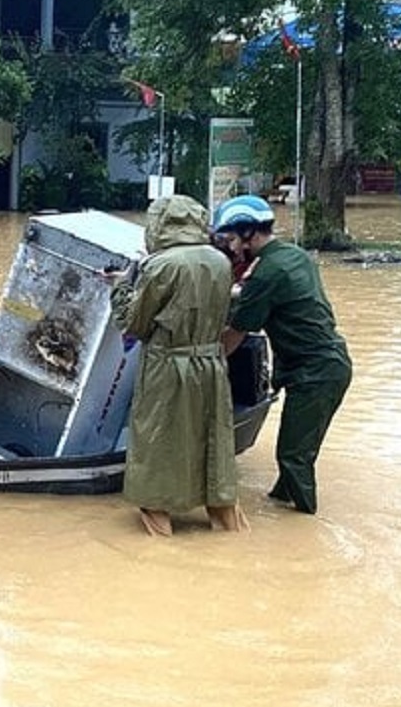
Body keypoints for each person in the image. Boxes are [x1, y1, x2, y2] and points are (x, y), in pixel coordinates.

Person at [109, 195, 245, 536]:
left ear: (158, 226)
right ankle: (226, 524)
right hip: (211, 364)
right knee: (211, 438)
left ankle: (160, 532)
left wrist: (120, 286)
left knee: (158, 443)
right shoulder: (220, 262)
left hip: (167, 365)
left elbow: (133, 324)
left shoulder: (160, 266)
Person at [215, 195, 352, 515]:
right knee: (296, 451)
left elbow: (233, 339)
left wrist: (192, 358)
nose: (232, 248)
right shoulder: (294, 255)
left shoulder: (266, 275)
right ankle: (280, 504)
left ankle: (305, 530)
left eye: (234, 239)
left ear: (250, 233)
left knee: (293, 457)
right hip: (328, 364)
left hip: (315, 373)